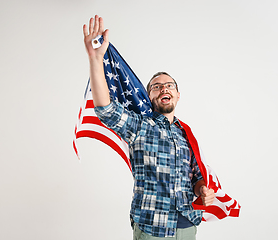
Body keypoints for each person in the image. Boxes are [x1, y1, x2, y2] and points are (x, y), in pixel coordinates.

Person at [83, 15, 215, 239]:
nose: (164, 88)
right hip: (152, 227)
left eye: (169, 85)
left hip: (188, 225)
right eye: (156, 86)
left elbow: (194, 177)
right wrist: (96, 60)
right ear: (150, 95)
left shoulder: (186, 134)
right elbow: (106, 110)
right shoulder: (140, 126)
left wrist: (202, 189)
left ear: (177, 94)